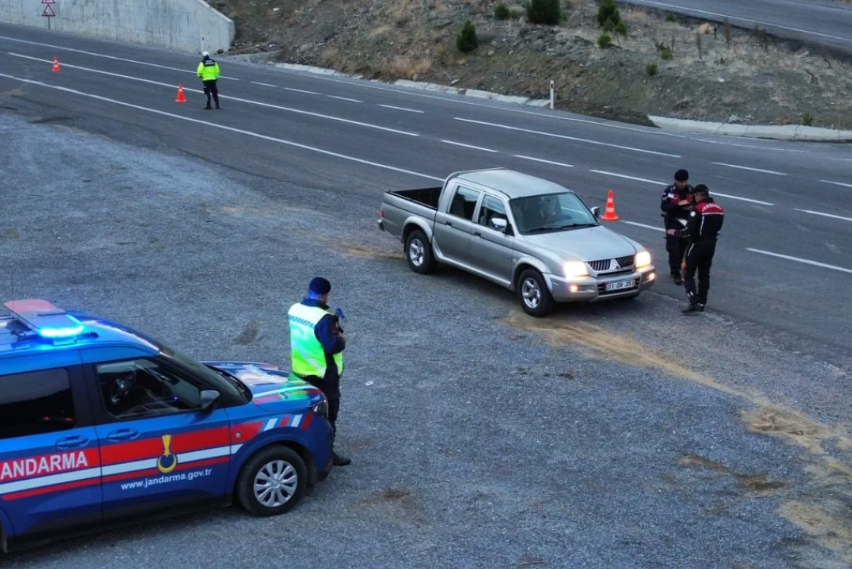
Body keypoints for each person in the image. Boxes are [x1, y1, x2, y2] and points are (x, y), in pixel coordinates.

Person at [287, 277, 351, 466]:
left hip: (300, 371)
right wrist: (342, 338)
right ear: (324, 296)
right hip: (323, 376)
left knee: (305, 413)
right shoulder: (324, 319)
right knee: (328, 416)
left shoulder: (294, 310)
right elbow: (333, 346)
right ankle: (327, 455)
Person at [667, 184, 724, 313]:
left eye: (694, 196)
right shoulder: (719, 208)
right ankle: (702, 302)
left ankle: (693, 302)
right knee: (704, 274)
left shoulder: (697, 210)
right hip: (711, 245)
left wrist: (674, 232)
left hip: (696, 245)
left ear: (698, 195)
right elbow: (718, 228)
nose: (694, 198)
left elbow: (688, 230)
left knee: (687, 272)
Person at [660, 169, 694, 285]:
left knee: (683, 248)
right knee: (674, 249)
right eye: (680, 182)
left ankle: (678, 267)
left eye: (684, 182)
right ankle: (675, 272)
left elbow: (697, 204)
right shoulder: (669, 191)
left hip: (686, 222)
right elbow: (664, 207)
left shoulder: (691, 190)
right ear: (675, 181)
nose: (682, 184)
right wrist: (677, 205)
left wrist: (691, 208)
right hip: (672, 222)